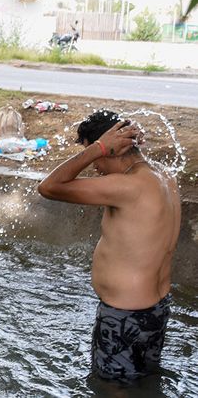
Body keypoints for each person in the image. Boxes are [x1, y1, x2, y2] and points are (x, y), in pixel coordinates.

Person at [38, 110, 180, 382]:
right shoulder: (163, 176)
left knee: (112, 388)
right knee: (142, 381)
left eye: (95, 155)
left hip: (124, 316)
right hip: (155, 312)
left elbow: (49, 187)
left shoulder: (128, 186)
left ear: (112, 148)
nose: (94, 166)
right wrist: (100, 149)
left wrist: (97, 148)